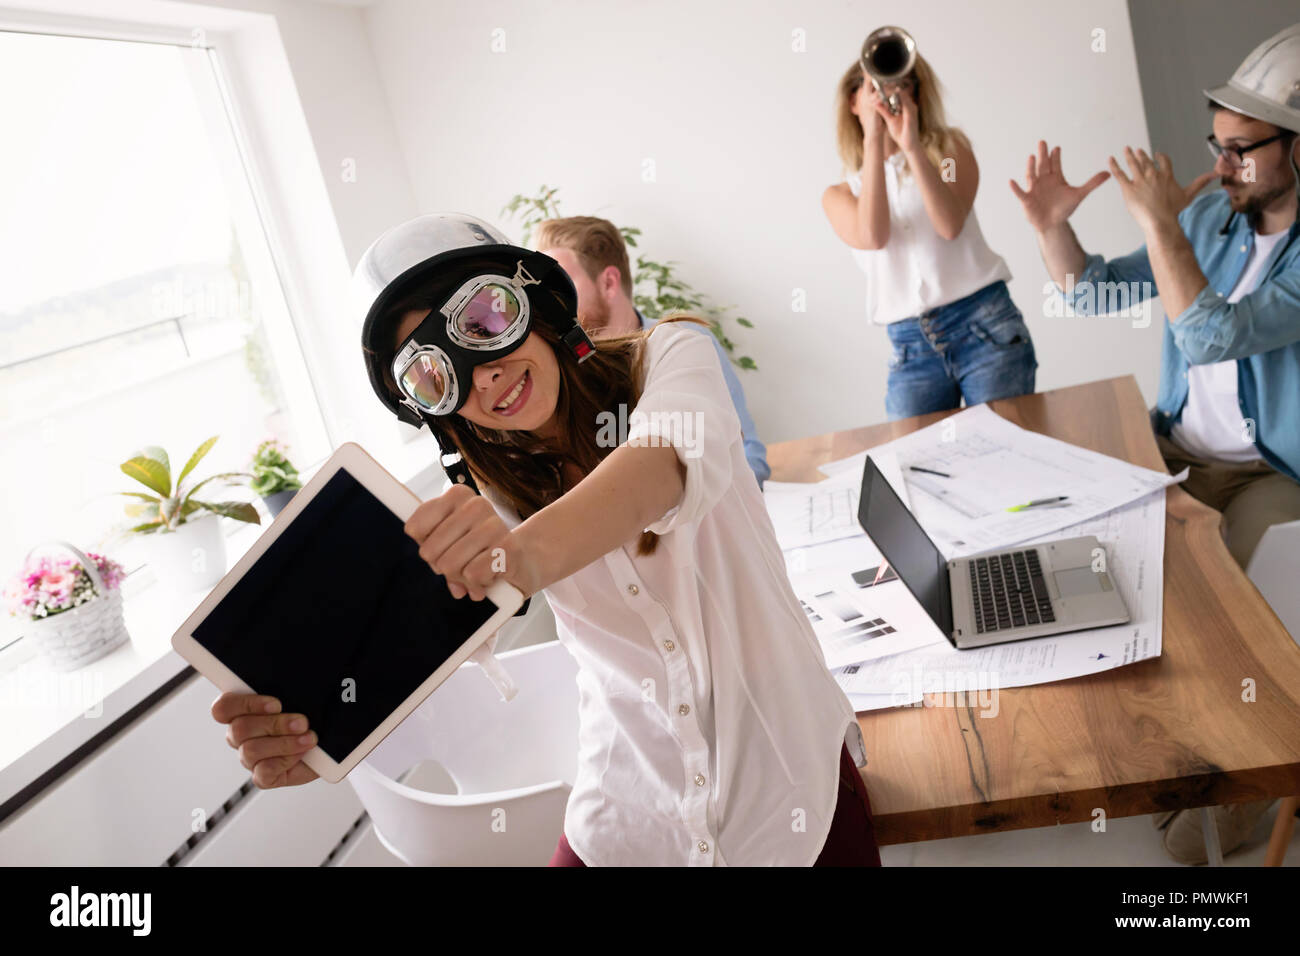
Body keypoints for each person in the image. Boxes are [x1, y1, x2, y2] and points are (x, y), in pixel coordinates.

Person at [210, 212, 881, 866]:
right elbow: (420, 644)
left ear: (537, 302)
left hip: (789, 799)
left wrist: (515, 558)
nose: (483, 373)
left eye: (485, 320)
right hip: (630, 816)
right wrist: (322, 735)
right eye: (436, 373)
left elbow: (661, 466)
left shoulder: (674, 355)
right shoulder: (484, 502)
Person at [1010, 23, 1300, 864]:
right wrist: (1051, 227)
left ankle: (1252, 790)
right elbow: (1090, 293)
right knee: (1119, 583)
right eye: (1218, 144)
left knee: (1229, 614)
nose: (1221, 164)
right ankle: (1173, 761)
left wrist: (1158, 221)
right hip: (1183, 450)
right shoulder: (1214, 213)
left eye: (1244, 149)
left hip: (1273, 474)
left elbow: (1211, 335)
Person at [821, 36, 1036, 420]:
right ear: (853, 103)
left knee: (1005, 462)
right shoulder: (839, 194)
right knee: (910, 469)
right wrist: (875, 143)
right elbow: (873, 235)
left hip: (984, 325)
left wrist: (912, 148)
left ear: (917, 95)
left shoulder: (949, 153)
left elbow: (949, 224)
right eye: (874, 88)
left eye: (901, 83)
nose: (889, 94)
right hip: (910, 346)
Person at [532, 215, 770, 488]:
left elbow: (750, 457)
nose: (551, 301)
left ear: (609, 283)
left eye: (562, 284)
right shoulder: (560, 372)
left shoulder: (688, 343)